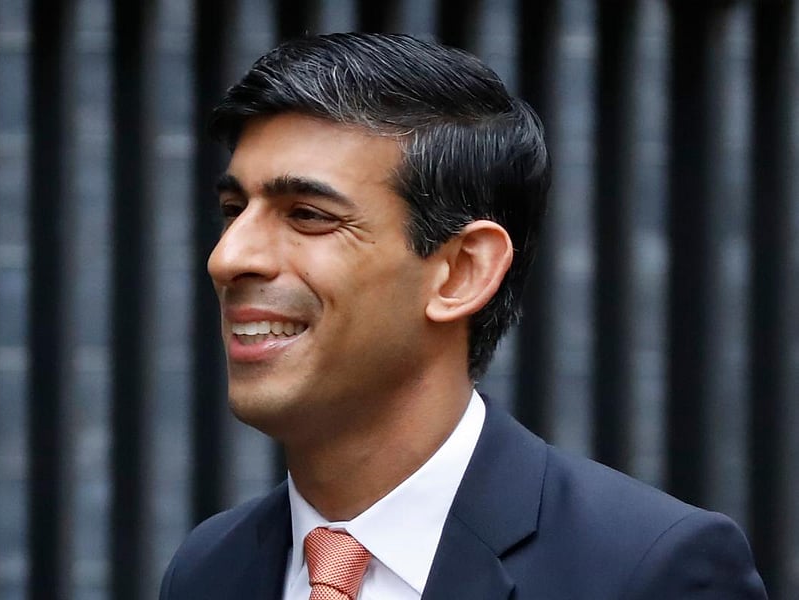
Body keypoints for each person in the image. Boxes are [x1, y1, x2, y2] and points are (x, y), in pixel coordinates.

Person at [159, 33, 766, 599]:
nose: (227, 257)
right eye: (233, 209)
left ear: (462, 272)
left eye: (308, 216)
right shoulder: (210, 568)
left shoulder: (648, 569)